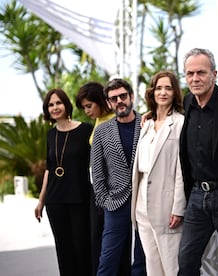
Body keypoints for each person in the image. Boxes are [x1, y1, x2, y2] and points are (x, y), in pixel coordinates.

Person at [177, 48, 218, 275]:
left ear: (214, 74)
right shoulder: (187, 102)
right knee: (186, 262)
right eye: (190, 73)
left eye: (201, 73)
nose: (195, 79)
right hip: (196, 195)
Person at [131, 71, 186, 276]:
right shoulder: (145, 124)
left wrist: (178, 207)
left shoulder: (180, 123)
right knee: (152, 266)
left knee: (172, 266)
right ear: (152, 92)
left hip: (166, 203)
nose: (163, 92)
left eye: (168, 88)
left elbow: (181, 169)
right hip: (141, 205)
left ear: (175, 93)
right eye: (159, 88)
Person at [35, 88, 93, 276]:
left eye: (58, 103)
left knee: (82, 247)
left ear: (66, 105)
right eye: (51, 105)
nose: (55, 107)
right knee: (63, 249)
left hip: (79, 199)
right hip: (55, 200)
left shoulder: (86, 130)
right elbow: (49, 169)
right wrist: (41, 200)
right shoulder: (50, 135)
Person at [91, 78, 146, 276]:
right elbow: (97, 170)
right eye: (114, 99)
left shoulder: (147, 123)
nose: (119, 101)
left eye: (123, 96)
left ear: (131, 97)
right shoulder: (101, 131)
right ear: (108, 103)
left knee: (143, 257)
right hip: (115, 202)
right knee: (108, 259)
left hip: (145, 199)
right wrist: (104, 200)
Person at [75, 81, 115, 276]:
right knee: (95, 240)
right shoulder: (99, 120)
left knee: (108, 244)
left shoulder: (114, 119)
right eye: (84, 108)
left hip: (111, 191)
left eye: (89, 106)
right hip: (96, 188)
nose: (87, 111)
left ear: (100, 100)